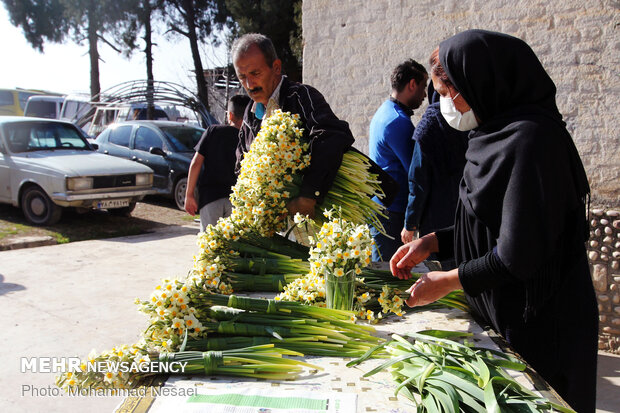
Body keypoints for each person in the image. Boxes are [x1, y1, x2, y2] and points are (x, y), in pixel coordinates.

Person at [390, 30, 597, 412]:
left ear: (481, 81)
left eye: (449, 92)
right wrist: (431, 242)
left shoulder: (534, 142)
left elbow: (517, 253)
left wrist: (448, 282)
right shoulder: (489, 135)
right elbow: (484, 223)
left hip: (543, 322)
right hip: (504, 311)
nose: (445, 103)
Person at [231, 33, 355, 218]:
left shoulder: (301, 96)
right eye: (242, 77)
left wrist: (309, 195)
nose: (249, 84)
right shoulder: (249, 118)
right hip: (283, 229)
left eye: (255, 74)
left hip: (322, 217)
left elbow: (332, 135)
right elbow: (241, 169)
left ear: (276, 67)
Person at [401, 84, 469, 263]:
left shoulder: (429, 125)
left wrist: (410, 223)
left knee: (440, 268)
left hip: (437, 213)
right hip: (465, 207)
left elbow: (418, 180)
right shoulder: (468, 118)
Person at [368, 59, 428, 261]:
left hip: (382, 208)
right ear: (412, 84)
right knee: (389, 281)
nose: (425, 95)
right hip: (392, 214)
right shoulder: (398, 122)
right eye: (423, 86)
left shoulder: (384, 111)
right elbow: (416, 173)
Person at [184, 94, 251, 231]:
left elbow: (196, 163)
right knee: (233, 244)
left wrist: (189, 194)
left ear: (230, 116)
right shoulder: (249, 139)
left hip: (211, 197)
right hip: (238, 200)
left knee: (209, 244)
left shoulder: (213, 131)